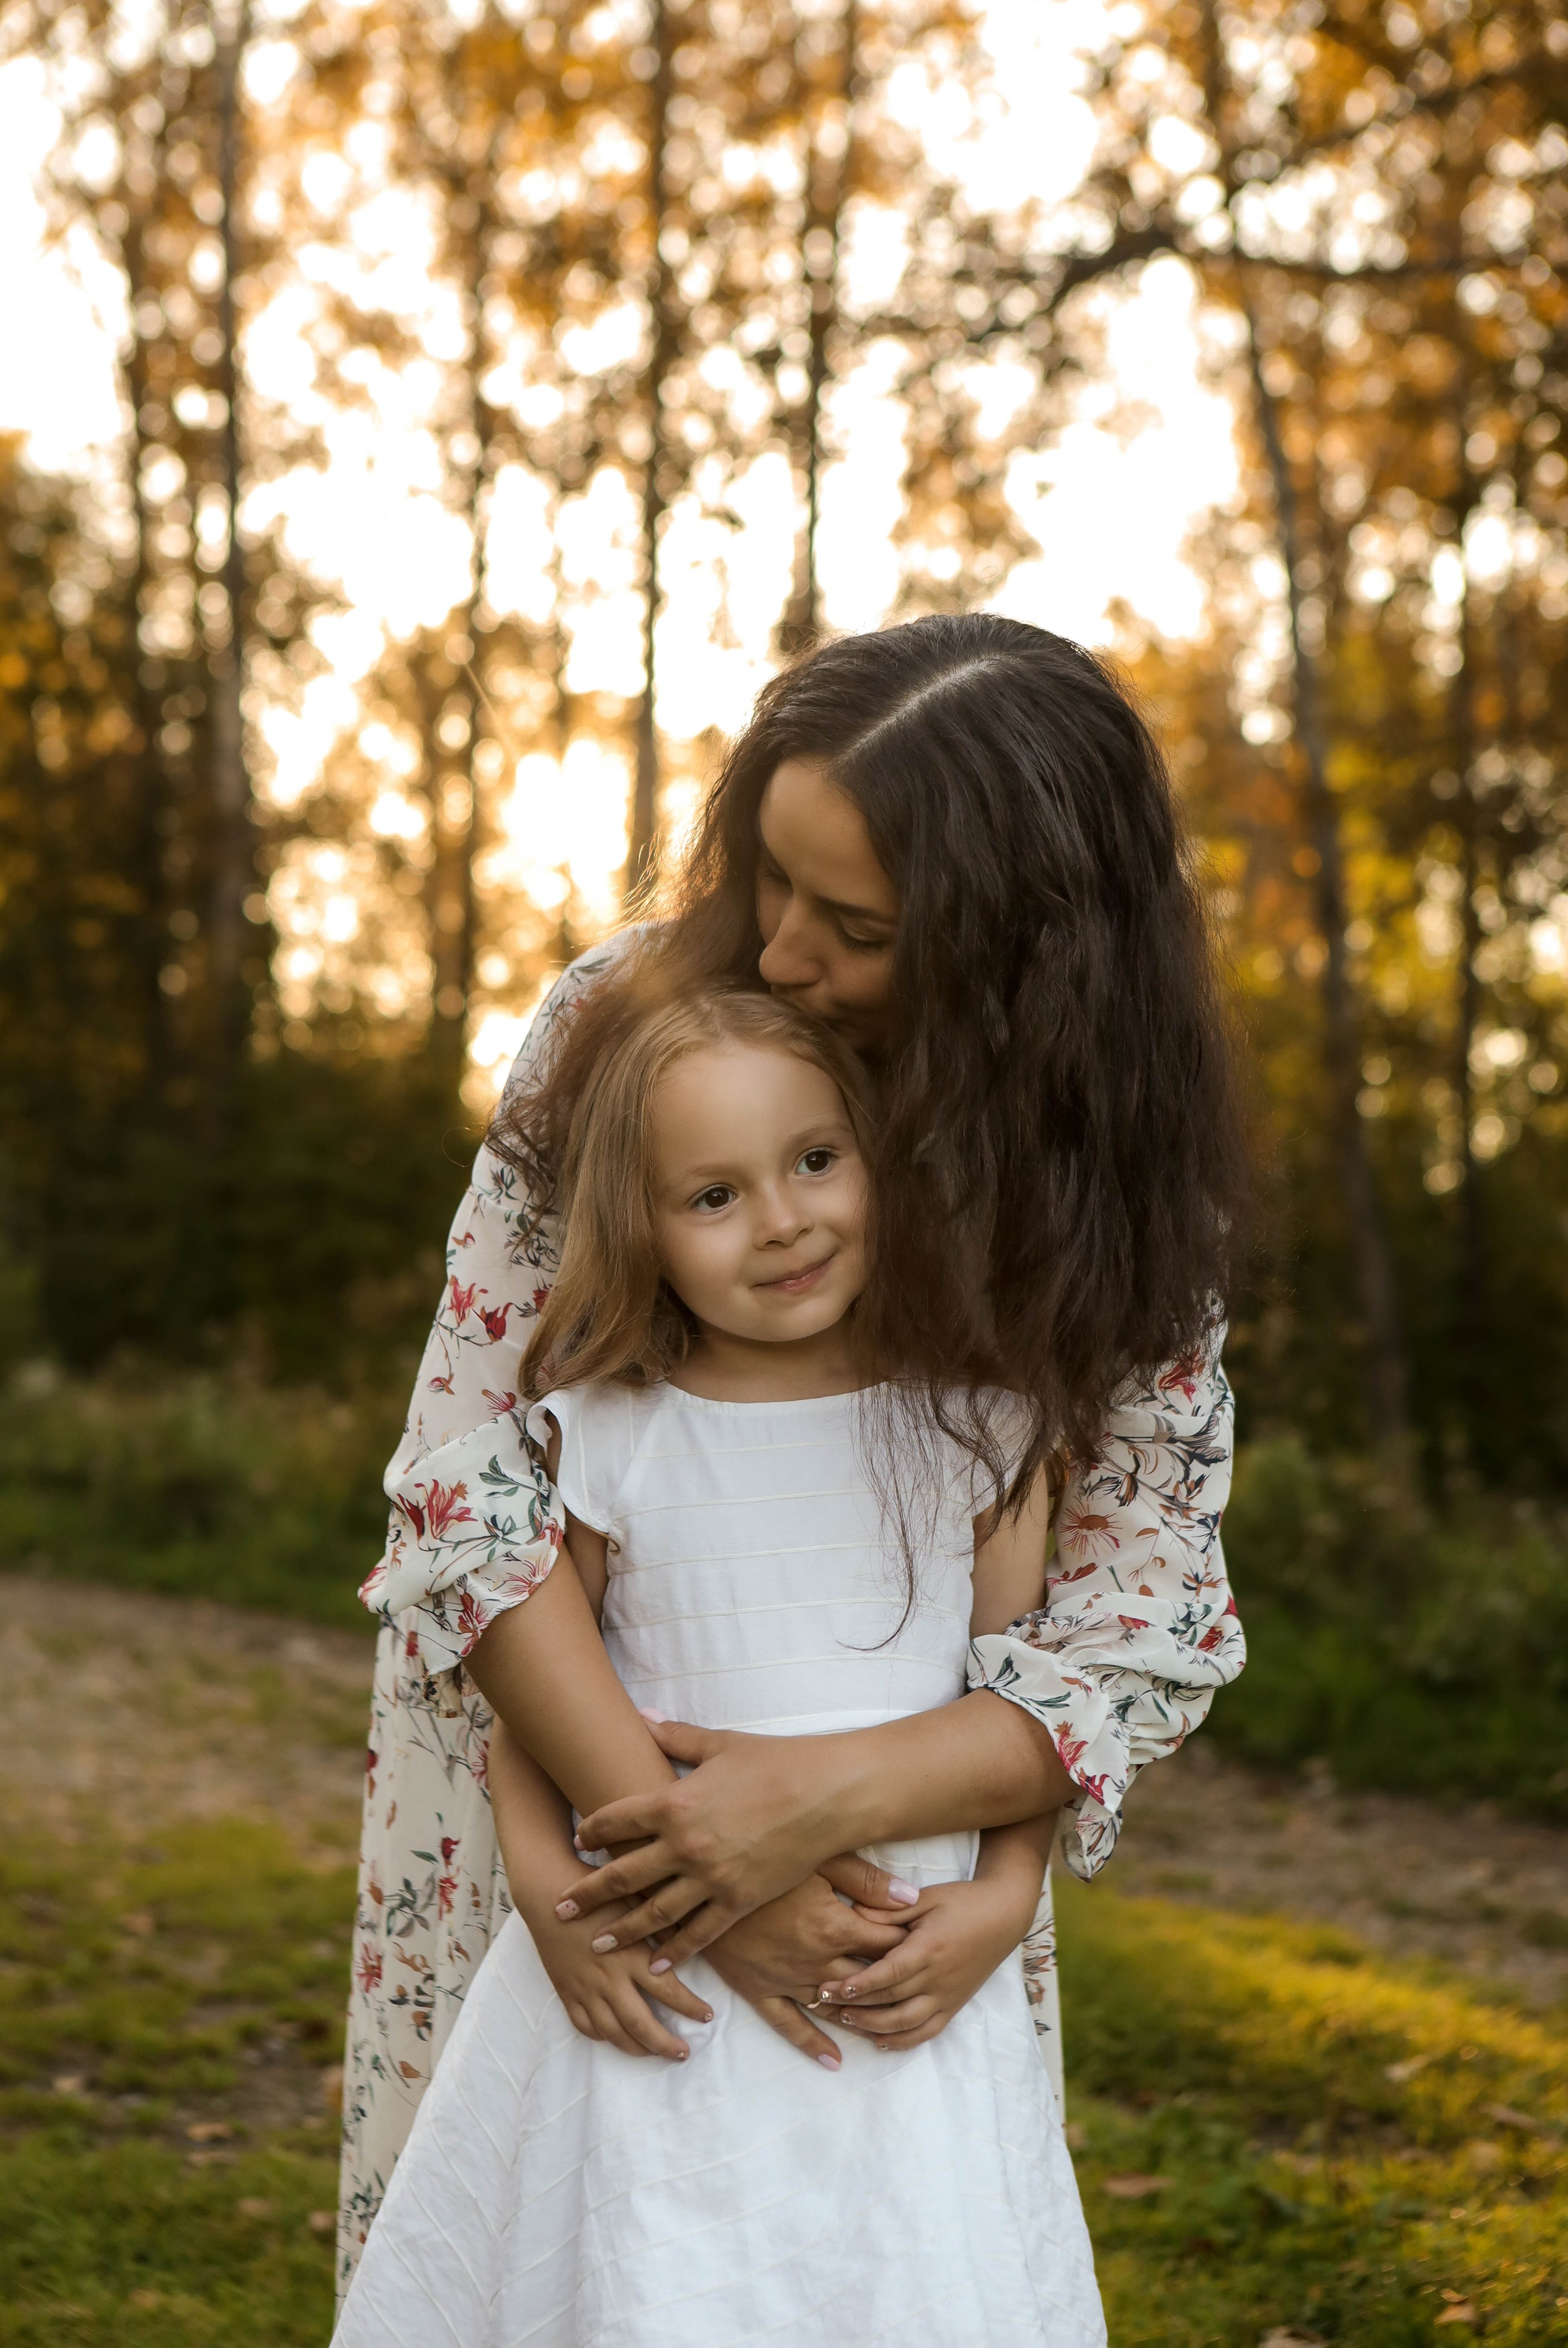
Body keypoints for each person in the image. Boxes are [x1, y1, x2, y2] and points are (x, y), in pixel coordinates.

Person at [336, 613, 1248, 2292]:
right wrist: (650, 1851)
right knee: (563, 2268)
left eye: (861, 927)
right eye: (770, 875)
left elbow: (1138, 1624)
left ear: (1026, 954)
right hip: (576, 1824)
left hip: (902, 1902)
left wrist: (829, 1811)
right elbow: (474, 1489)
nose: (783, 950)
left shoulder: (1108, 1178)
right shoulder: (630, 1031)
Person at [334, 986, 1106, 2347]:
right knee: (660, 2284)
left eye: (815, 1160)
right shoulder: (603, 1435)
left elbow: (1022, 1701)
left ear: (874, 1154)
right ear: (643, 1232)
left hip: (901, 1985)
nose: (783, 1221)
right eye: (712, 1196)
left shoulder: (981, 1427)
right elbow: (538, 1700)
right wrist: (546, 1888)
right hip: (659, 1981)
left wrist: (1001, 1900)